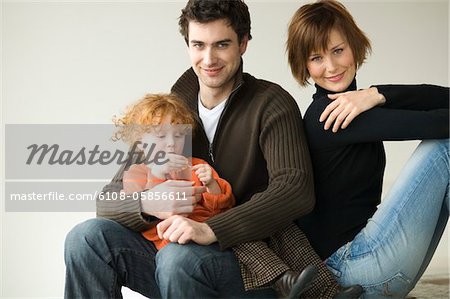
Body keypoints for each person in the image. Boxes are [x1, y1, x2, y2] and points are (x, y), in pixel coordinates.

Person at [64, 1, 349, 298]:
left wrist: (212, 229)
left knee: (177, 258)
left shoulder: (270, 102)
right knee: (85, 239)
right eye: (198, 45)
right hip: (172, 256)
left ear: (243, 43)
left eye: (222, 44)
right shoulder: (175, 106)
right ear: (188, 45)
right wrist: (148, 203)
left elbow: (295, 191)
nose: (209, 58)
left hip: (253, 265)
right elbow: (107, 201)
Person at [286, 0, 449, 297]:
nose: (332, 67)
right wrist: (374, 96)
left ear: (354, 47)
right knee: (446, 149)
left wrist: (377, 94)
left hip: (368, 266)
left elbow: (444, 98)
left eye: (338, 50)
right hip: (350, 271)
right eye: (316, 58)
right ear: (305, 66)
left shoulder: (356, 105)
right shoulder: (327, 116)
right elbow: (440, 125)